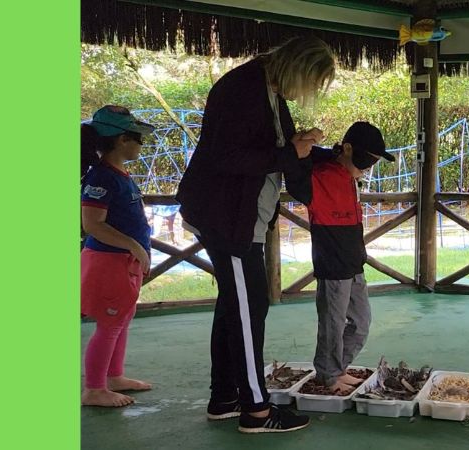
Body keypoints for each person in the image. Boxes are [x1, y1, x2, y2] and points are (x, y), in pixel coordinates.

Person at [175, 36, 337, 434]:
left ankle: (225, 398)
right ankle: (257, 411)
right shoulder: (243, 88)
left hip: (241, 215)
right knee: (251, 310)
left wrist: (329, 153)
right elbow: (226, 158)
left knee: (235, 306)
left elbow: (280, 149)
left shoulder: (269, 91)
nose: (308, 93)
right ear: (296, 67)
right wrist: (291, 154)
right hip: (227, 216)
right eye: (311, 82)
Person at [306, 122, 393, 395]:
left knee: (361, 323)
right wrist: (322, 153)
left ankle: (334, 368)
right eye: (367, 159)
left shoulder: (350, 180)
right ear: (346, 149)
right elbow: (298, 158)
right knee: (332, 324)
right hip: (332, 265)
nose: (368, 166)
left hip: (354, 264)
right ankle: (329, 376)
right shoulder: (320, 175)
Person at [80, 105, 155, 407]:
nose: (142, 144)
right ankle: (95, 388)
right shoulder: (102, 177)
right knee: (109, 324)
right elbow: (92, 225)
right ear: (122, 139)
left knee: (123, 318)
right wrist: (134, 246)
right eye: (139, 138)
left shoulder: (119, 174)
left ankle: (114, 376)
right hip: (108, 261)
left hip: (124, 262)